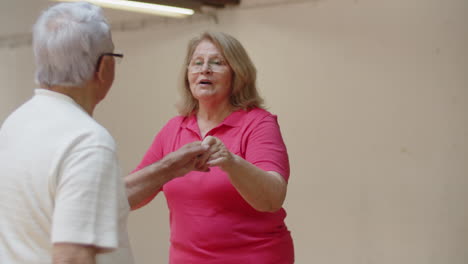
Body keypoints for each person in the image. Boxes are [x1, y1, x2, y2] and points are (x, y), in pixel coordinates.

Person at [0, 2, 207, 263]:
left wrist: (167, 169)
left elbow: (83, 202)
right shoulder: (87, 141)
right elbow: (73, 257)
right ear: (104, 67)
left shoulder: (17, 123)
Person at [127, 31, 294, 263]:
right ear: (188, 75)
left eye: (217, 63)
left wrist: (231, 162)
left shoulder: (258, 123)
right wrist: (167, 167)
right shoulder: (174, 129)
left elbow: (272, 198)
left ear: (237, 74)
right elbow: (127, 197)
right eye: (197, 63)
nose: (205, 69)